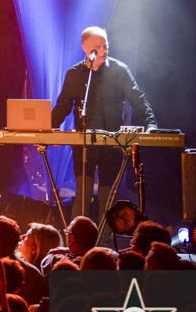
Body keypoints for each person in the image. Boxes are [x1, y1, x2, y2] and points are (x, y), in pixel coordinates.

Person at [51, 26, 157, 220]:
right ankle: (79, 243)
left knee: (107, 199)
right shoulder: (75, 74)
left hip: (112, 145)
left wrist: (152, 124)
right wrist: (45, 130)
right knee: (82, 197)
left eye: (105, 45)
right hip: (84, 146)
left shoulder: (119, 70)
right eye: (97, 47)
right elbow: (62, 107)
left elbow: (138, 99)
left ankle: (103, 245)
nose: (103, 50)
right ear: (85, 48)